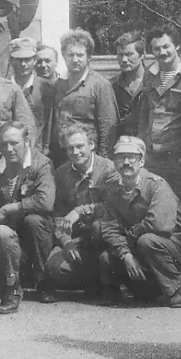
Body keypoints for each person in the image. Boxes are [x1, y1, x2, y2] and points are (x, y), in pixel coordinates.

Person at [138, 25, 181, 285]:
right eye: (156, 48)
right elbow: (145, 116)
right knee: (160, 217)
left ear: (177, 46)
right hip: (155, 161)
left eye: (166, 46)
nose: (162, 52)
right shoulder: (149, 76)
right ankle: (165, 275)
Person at [99, 136, 181, 308]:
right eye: (120, 157)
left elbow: (159, 225)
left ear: (142, 161)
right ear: (114, 161)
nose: (126, 162)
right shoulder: (113, 190)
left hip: (178, 246)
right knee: (107, 257)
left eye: (132, 157)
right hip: (141, 246)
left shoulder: (157, 185)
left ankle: (179, 290)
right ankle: (142, 290)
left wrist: (130, 237)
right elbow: (109, 228)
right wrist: (126, 254)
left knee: (147, 241)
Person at [0, 121, 56, 307]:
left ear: (27, 141)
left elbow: (45, 201)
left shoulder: (42, 164)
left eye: (14, 143)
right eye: (3, 144)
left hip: (34, 233)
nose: (8, 149)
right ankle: (12, 285)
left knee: (34, 221)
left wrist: (10, 208)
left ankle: (44, 281)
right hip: (6, 232)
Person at [46, 125, 118, 296]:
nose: (75, 152)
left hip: (103, 234)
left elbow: (113, 207)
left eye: (80, 146)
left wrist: (79, 211)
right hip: (79, 238)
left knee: (98, 228)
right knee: (55, 268)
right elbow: (58, 214)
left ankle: (106, 278)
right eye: (70, 148)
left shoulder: (109, 169)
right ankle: (91, 277)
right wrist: (66, 242)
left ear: (91, 144)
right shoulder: (61, 174)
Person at [50, 28, 118, 166]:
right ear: (63, 56)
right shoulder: (58, 84)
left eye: (80, 55)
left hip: (87, 155)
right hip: (62, 155)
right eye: (70, 55)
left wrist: (102, 161)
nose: (75, 60)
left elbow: (108, 125)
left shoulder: (100, 85)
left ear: (89, 57)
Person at [9, 38, 55, 155]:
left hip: (37, 150)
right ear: (11, 61)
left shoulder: (45, 87)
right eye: (19, 60)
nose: (23, 64)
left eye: (27, 59)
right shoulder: (5, 87)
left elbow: (49, 121)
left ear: (34, 60)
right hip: (10, 150)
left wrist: (46, 147)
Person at [110, 32, 146, 138]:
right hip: (121, 142)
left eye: (129, 54)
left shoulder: (154, 82)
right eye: (120, 55)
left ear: (142, 55)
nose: (124, 60)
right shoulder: (111, 86)